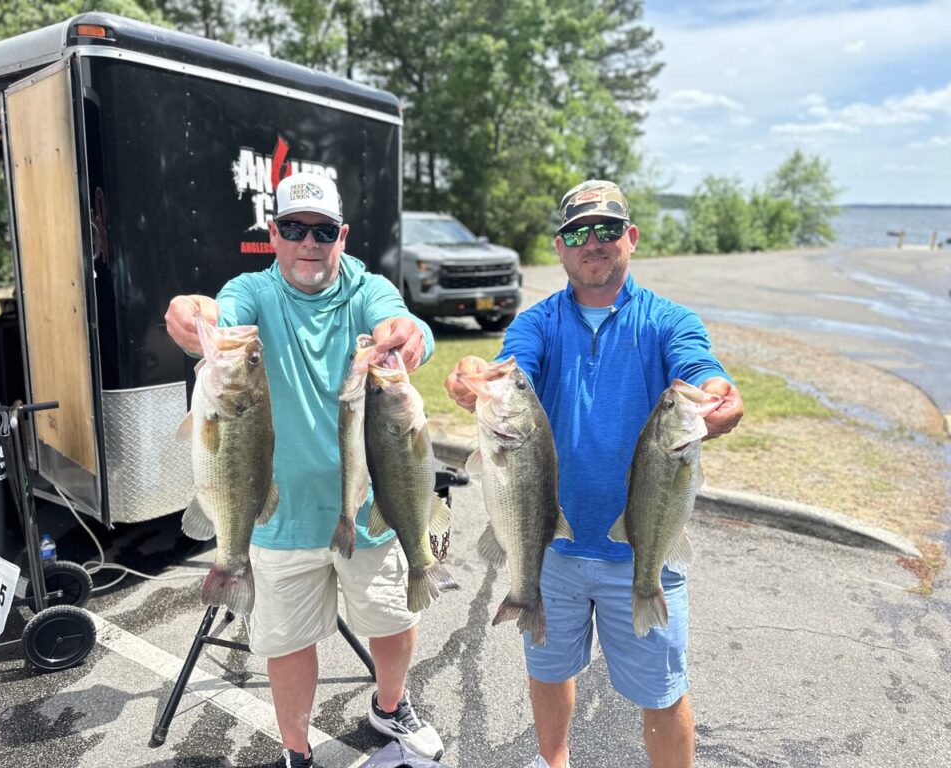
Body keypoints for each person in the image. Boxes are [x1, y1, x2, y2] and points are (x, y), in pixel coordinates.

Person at [445, 180, 744, 768]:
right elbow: (512, 366)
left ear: (631, 237)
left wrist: (716, 391)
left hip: (642, 548)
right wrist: (477, 374)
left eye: (607, 229)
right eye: (578, 233)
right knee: (549, 670)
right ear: (560, 247)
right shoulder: (538, 322)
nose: (593, 243)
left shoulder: (668, 320)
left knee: (661, 692)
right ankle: (553, 762)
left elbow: (699, 366)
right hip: (550, 546)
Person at [164, 172, 444, 768]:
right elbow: (216, 315)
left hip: (367, 509)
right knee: (288, 644)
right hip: (277, 514)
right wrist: (193, 315)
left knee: (392, 621)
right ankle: (296, 751)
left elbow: (401, 322)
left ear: (342, 236)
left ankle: (390, 707)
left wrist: (411, 336)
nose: (308, 243)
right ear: (273, 234)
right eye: (293, 229)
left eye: (322, 231)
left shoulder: (365, 289)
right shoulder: (252, 291)